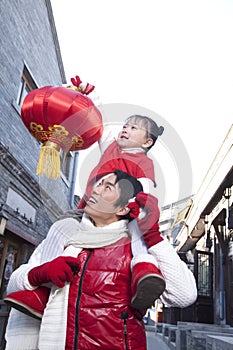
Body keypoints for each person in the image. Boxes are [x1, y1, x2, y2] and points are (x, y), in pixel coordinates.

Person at [5, 170, 197, 349]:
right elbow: (12, 286)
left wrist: (153, 236)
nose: (96, 189)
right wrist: (37, 275)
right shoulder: (64, 234)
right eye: (98, 184)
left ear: (123, 208)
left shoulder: (137, 245)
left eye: (107, 187)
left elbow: (184, 294)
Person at [5, 114, 166, 318]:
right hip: (88, 207)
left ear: (147, 141)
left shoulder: (144, 163)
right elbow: (100, 122)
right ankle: (43, 291)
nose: (125, 129)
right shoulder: (110, 147)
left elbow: (146, 190)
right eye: (125, 126)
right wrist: (86, 97)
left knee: (138, 235)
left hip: (125, 212)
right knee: (60, 228)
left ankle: (143, 274)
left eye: (134, 128)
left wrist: (141, 210)